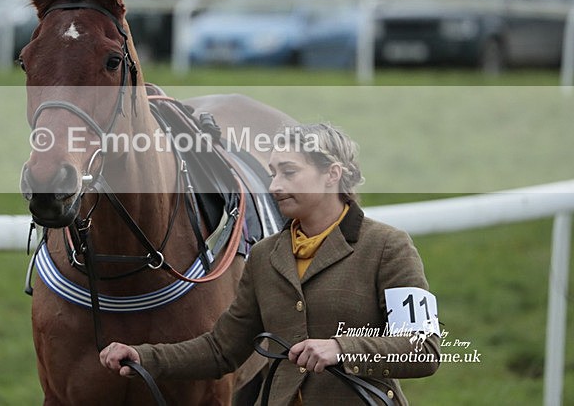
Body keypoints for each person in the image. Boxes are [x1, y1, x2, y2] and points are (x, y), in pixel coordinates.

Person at [100, 123, 440, 405]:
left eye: (289, 172)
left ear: (332, 174)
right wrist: (146, 357)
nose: (275, 186)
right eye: (273, 173)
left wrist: (342, 349)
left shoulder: (387, 247)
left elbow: (423, 349)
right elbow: (222, 350)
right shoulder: (264, 255)